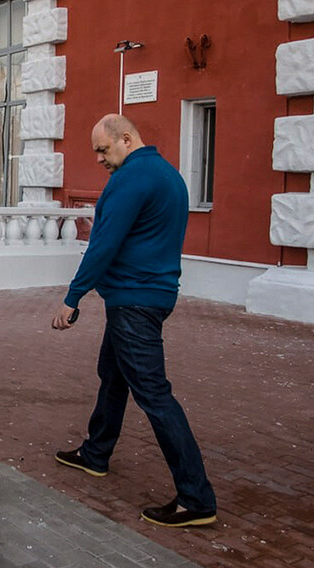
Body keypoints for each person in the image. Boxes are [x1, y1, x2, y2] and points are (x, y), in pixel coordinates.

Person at [51, 114, 217, 527]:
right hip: (152, 295)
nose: (100, 160)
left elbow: (103, 242)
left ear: (126, 139)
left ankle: (196, 498)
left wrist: (73, 297)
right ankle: (95, 454)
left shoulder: (131, 179)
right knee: (113, 373)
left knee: (154, 394)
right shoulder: (170, 176)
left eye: (104, 150)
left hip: (133, 301)